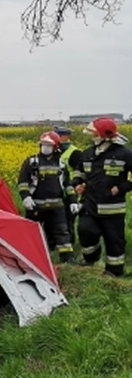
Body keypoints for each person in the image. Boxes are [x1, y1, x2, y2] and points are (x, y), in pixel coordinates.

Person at [70, 117, 132, 276]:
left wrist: (121, 188)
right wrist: (77, 182)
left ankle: (114, 271)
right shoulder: (88, 153)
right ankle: (90, 259)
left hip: (112, 208)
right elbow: (80, 171)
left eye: (95, 134)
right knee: (85, 230)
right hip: (89, 203)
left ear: (104, 135)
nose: (92, 137)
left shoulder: (124, 154)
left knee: (114, 241)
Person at [17, 131, 78, 264]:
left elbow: (67, 184)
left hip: (57, 206)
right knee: (31, 234)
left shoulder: (61, 164)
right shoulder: (32, 162)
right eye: (43, 144)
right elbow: (23, 182)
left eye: (48, 145)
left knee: (62, 232)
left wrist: (73, 201)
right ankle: (29, 259)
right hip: (36, 206)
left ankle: (68, 260)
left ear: (55, 147)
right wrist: (26, 197)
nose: (45, 147)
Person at [55, 125, 82, 244]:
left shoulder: (74, 152)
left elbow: (79, 172)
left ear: (67, 137)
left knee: (68, 220)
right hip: (56, 191)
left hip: (69, 191)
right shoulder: (55, 150)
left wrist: (73, 185)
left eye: (60, 136)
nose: (58, 138)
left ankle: (70, 244)